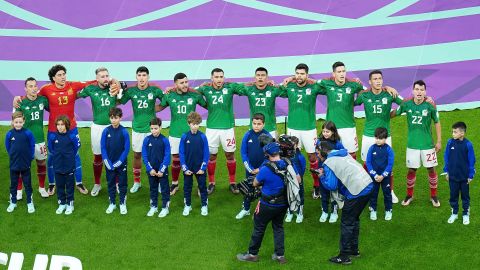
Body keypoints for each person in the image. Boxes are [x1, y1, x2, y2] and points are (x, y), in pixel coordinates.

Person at [13, 65, 108, 195]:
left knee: (75, 155)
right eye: (59, 75)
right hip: (53, 130)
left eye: (64, 74)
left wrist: (112, 81)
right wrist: (17, 98)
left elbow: (91, 82)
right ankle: (52, 184)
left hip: (72, 129)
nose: (63, 77)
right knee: (52, 156)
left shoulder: (72, 86)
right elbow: (32, 95)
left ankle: (79, 183)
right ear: (53, 78)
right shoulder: (46, 89)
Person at [237, 142, 299, 264]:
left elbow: (255, 183)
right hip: (283, 203)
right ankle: (280, 255)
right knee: (278, 227)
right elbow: (298, 179)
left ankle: (252, 254)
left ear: (267, 155)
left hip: (267, 204)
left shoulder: (265, 169)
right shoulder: (288, 163)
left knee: (259, 228)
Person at [316, 140, 373, 265]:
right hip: (367, 185)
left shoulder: (329, 162)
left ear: (323, 152)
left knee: (347, 222)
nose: (317, 156)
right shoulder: (342, 153)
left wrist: (322, 176)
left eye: (318, 153)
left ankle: (344, 256)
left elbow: (331, 185)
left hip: (357, 191)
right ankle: (354, 250)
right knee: (354, 219)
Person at [355, 70, 403, 204]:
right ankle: (366, 189)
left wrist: (392, 114)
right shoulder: (365, 95)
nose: (378, 81)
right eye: (375, 79)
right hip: (368, 135)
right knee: (366, 163)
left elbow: (404, 104)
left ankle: (390, 191)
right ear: (370, 82)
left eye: (380, 78)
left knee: (389, 164)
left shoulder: (389, 93)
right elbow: (352, 103)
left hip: (385, 135)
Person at [196, 68, 245, 195]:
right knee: (212, 156)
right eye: (216, 77)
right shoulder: (205, 89)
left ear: (224, 77)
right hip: (212, 128)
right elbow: (191, 92)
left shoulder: (230, 87)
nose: (219, 79)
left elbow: (246, 86)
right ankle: (212, 183)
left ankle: (232, 183)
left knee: (230, 155)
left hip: (227, 129)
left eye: (221, 77)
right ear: (211, 78)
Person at [278, 63, 323, 200]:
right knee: (292, 157)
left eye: (302, 73)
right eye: (297, 73)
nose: (299, 76)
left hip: (309, 129)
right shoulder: (290, 87)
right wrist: (289, 79)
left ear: (307, 75)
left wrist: (312, 81)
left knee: (313, 157)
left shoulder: (314, 87)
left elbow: (325, 85)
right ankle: (295, 182)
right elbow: (278, 89)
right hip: (293, 128)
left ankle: (317, 185)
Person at [395, 80, 442, 207]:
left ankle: (434, 196)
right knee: (412, 170)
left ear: (425, 92)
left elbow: (437, 122)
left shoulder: (430, 105)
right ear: (413, 91)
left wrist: (439, 141)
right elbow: (394, 113)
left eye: (421, 90)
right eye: (417, 89)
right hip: (412, 145)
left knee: (431, 169)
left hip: (428, 145)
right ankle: (409, 195)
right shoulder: (407, 104)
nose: (419, 92)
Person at [159, 73, 206, 196]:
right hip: (175, 133)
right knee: (175, 160)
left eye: (186, 82)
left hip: (192, 134)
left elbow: (208, 105)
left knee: (195, 159)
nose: (185, 85)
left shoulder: (195, 95)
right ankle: (175, 183)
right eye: (182, 83)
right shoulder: (169, 95)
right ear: (175, 84)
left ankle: (200, 186)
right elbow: (160, 107)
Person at [118, 66, 164, 193]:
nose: (142, 78)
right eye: (139, 75)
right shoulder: (131, 91)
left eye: (144, 75)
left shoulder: (155, 90)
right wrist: (120, 91)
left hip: (152, 129)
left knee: (155, 156)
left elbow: (166, 101)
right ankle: (137, 182)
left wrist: (157, 108)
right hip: (137, 128)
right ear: (136, 77)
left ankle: (158, 182)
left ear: (148, 77)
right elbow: (118, 102)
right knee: (137, 155)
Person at [77, 67, 118, 196]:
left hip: (113, 127)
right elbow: (76, 95)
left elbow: (124, 89)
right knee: (98, 157)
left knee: (114, 156)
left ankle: (116, 183)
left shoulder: (114, 87)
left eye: (107, 76)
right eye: (102, 76)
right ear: (97, 78)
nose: (105, 78)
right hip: (97, 128)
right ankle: (97, 184)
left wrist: (116, 82)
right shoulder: (90, 89)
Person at [14, 77, 49, 199]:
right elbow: (14, 121)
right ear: (25, 89)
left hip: (39, 139)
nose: (33, 88)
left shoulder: (43, 100)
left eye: (35, 86)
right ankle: (19, 190)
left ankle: (42, 188)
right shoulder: (20, 102)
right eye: (30, 86)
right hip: (25, 141)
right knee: (22, 165)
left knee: (41, 163)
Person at [237, 113, 272, 219]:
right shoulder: (247, 135)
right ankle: (246, 209)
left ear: (263, 124)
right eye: (254, 123)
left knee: (265, 189)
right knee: (249, 189)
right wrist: (250, 169)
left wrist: (260, 169)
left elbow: (270, 155)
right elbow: (243, 153)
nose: (256, 126)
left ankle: (263, 211)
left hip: (264, 169)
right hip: (250, 170)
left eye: (259, 124)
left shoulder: (268, 136)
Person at [444, 122, 475, 225]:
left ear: (462, 133)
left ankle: (466, 214)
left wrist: (470, 175)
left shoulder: (468, 144)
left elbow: (472, 160)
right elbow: (446, 157)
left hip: (464, 177)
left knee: (465, 197)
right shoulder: (450, 142)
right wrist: (446, 172)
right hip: (452, 176)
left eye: (455, 132)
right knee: (453, 196)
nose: (453, 134)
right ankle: (454, 213)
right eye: (452, 131)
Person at [100, 107, 130, 215]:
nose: (113, 120)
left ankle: (122, 203)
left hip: (121, 164)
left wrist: (120, 161)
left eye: (116, 118)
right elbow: (103, 147)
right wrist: (106, 161)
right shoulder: (106, 131)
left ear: (120, 118)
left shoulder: (124, 132)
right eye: (112, 118)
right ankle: (112, 203)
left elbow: (126, 149)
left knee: (122, 183)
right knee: (111, 183)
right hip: (109, 164)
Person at [179, 112, 209, 216]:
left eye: (197, 124)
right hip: (188, 168)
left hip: (200, 168)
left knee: (202, 187)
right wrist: (184, 168)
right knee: (187, 187)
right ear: (189, 124)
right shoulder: (184, 136)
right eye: (193, 124)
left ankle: (204, 205)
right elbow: (181, 153)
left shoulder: (203, 137)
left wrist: (203, 167)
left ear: (199, 124)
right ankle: (187, 205)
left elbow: (206, 153)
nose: (195, 126)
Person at [48, 115, 79, 215]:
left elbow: (76, 148)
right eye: (58, 125)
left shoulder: (72, 136)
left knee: (69, 185)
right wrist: (58, 155)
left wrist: (68, 156)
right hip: (57, 165)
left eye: (62, 124)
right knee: (60, 185)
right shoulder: (52, 137)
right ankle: (62, 203)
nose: (60, 127)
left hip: (69, 165)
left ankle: (70, 204)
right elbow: (51, 149)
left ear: (67, 125)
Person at [238, 67, 282, 138]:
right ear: (255, 77)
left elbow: (286, 89)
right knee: (254, 149)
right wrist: (251, 83)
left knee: (271, 149)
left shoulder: (273, 89)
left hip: (270, 129)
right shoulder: (249, 89)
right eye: (258, 75)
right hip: (254, 128)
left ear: (267, 77)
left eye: (263, 75)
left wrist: (291, 78)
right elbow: (233, 86)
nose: (260, 77)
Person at [5, 112, 35, 213]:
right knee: (13, 184)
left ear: (24, 122)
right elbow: (8, 147)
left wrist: (30, 157)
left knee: (27, 184)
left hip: (26, 163)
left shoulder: (28, 133)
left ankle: (30, 202)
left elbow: (32, 146)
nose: (18, 124)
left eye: (20, 122)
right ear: (13, 122)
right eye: (16, 122)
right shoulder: (9, 134)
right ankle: (13, 202)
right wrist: (13, 156)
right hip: (14, 164)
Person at [142, 117, 171, 218]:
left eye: (156, 128)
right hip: (152, 171)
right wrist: (150, 169)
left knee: (164, 189)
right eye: (152, 129)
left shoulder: (165, 140)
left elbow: (167, 156)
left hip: (162, 171)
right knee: (153, 188)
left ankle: (165, 208)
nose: (153, 131)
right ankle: (153, 206)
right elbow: (144, 156)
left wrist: (162, 170)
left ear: (160, 127)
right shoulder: (146, 140)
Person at [318, 121, 344, 223]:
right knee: (324, 193)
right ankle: (324, 211)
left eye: (327, 131)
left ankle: (334, 212)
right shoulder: (319, 141)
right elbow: (318, 155)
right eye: (323, 131)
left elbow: (343, 153)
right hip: (322, 170)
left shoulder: (337, 144)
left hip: (334, 172)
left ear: (333, 132)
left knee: (334, 192)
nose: (325, 133)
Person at [366, 127, 394, 221]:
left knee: (387, 194)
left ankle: (388, 210)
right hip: (374, 177)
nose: (378, 140)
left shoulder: (389, 150)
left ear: (385, 139)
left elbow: (390, 164)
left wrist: (383, 175)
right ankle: (373, 210)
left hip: (385, 177)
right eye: (376, 138)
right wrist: (375, 175)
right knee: (373, 194)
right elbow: (368, 163)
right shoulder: (371, 148)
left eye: (380, 138)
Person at [282, 135, 306, 223]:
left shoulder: (300, 156)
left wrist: (299, 177)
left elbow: (303, 168)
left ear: (296, 145)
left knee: (300, 194)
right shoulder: (285, 155)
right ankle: (290, 211)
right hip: (288, 178)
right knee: (289, 194)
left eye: (293, 144)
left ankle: (300, 212)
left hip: (298, 179)